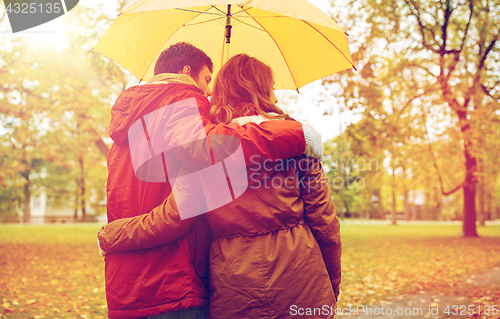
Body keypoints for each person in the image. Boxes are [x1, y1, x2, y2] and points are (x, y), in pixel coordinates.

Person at [100, 54, 341, 319]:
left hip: (232, 279)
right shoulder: (295, 142)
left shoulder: (203, 152)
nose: (274, 98)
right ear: (261, 90)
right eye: (271, 89)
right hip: (299, 271)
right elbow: (324, 222)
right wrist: (331, 283)